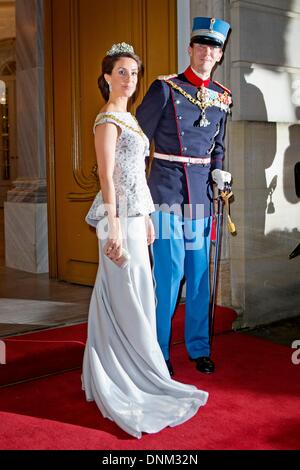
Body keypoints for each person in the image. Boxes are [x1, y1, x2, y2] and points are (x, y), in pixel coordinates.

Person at [82, 42, 208, 439]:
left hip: (138, 217)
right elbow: (106, 177)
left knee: (133, 294)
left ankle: (116, 368)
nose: (129, 79)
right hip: (117, 220)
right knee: (128, 298)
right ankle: (132, 379)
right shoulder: (107, 119)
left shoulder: (131, 118)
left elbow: (138, 168)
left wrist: (150, 216)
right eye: (121, 72)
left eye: (134, 73)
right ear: (106, 77)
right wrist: (116, 225)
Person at [136, 17, 232, 376]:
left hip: (201, 197)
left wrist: (219, 170)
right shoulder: (166, 88)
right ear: (190, 49)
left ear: (220, 55)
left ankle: (198, 347)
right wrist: (134, 193)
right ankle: (158, 352)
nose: (207, 52)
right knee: (171, 272)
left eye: (214, 48)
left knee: (199, 274)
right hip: (165, 192)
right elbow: (136, 139)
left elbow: (217, 145)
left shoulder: (223, 97)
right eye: (201, 46)